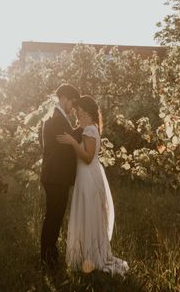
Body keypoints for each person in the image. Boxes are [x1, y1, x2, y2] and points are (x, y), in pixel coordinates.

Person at [57, 95, 129, 276]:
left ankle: (90, 257)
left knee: (88, 213)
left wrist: (73, 142)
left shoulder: (89, 130)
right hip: (87, 175)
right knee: (88, 213)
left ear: (87, 112)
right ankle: (85, 255)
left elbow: (88, 158)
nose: (77, 115)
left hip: (88, 176)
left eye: (79, 112)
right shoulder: (89, 128)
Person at [40, 84, 82, 268]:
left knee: (55, 216)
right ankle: (47, 256)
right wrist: (87, 126)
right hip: (56, 177)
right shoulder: (57, 119)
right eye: (73, 102)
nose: (73, 107)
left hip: (56, 176)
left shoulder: (56, 117)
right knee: (54, 216)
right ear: (64, 98)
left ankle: (49, 253)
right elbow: (69, 142)